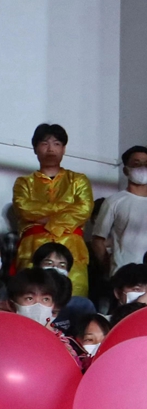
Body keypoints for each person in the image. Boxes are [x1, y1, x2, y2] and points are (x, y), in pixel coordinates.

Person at [12, 123, 94, 297]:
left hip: (72, 249)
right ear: (35, 149)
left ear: (64, 149)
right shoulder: (23, 182)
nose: (50, 149)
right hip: (33, 249)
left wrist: (48, 221)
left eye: (57, 143)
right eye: (44, 143)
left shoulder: (78, 180)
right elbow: (24, 208)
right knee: (30, 297)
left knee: (74, 302)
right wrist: (65, 208)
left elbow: (84, 209)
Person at [92, 146, 147, 275]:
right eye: (137, 164)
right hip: (123, 275)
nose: (143, 168)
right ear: (126, 170)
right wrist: (110, 269)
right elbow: (98, 240)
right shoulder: (113, 201)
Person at [7, 268, 82, 368]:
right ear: (12, 304)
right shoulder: (4, 336)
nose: (38, 305)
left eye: (46, 299)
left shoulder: (61, 343)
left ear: (53, 305)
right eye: (29, 298)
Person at [31, 242, 96, 333]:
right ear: (36, 267)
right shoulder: (26, 303)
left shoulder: (81, 305)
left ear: (68, 272)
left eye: (62, 265)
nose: (54, 268)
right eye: (49, 263)